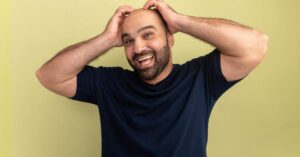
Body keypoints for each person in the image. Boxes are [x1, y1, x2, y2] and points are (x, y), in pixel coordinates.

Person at [36, 0, 268, 156]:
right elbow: (48, 76)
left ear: (170, 38)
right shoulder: (109, 84)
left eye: (148, 34)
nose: (138, 48)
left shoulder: (200, 78)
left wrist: (180, 21)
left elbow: (255, 45)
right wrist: (106, 39)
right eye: (128, 40)